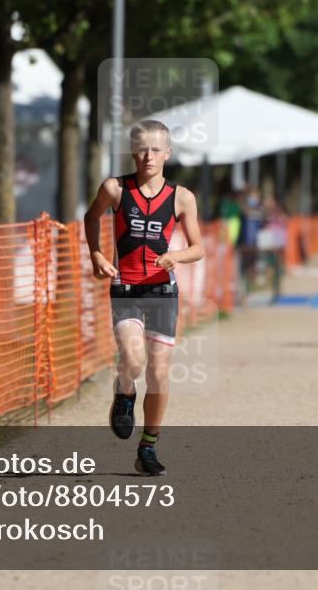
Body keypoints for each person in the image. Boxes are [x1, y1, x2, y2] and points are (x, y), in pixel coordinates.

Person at [84, 120, 204, 476]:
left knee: (159, 371)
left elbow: (198, 248)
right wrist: (96, 254)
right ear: (132, 152)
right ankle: (124, 393)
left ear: (168, 153)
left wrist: (175, 257)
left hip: (162, 291)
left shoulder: (182, 197)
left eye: (155, 150)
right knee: (133, 360)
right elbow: (91, 217)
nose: (148, 156)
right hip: (126, 288)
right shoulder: (115, 189)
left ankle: (148, 447)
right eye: (141, 149)